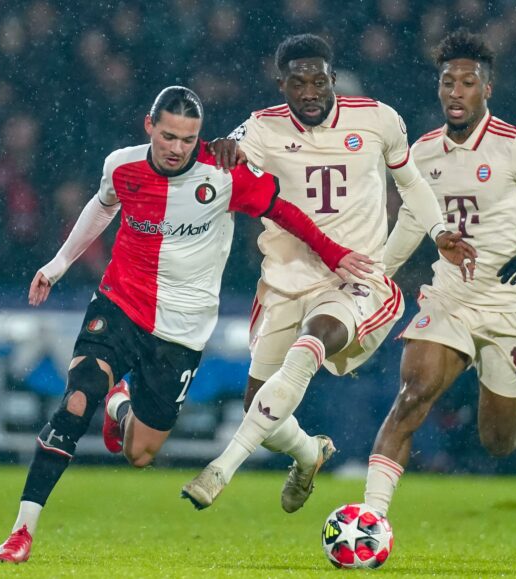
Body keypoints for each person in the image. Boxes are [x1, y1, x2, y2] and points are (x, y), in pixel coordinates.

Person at [0, 86, 373, 563]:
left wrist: (334, 254)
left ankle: (121, 409)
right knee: (76, 399)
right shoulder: (123, 165)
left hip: (182, 332)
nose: (176, 148)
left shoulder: (224, 173)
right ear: (149, 126)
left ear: (199, 137)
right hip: (120, 303)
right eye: (168, 136)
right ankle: (22, 531)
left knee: (141, 454)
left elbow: (283, 211)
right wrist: (58, 264)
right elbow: (102, 204)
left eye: (188, 139)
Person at [181, 34, 476, 512]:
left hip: (354, 277)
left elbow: (412, 183)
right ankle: (308, 452)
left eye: (320, 80)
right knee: (260, 410)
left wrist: (439, 229)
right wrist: (223, 150)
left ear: (333, 79)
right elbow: (225, 149)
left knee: (311, 345)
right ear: (282, 85)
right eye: (298, 82)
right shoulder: (261, 127)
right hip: (285, 279)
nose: (311, 91)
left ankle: (221, 468)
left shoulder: (379, 119)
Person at [362, 29, 516, 515]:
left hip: (509, 304)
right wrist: (375, 274)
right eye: (448, 82)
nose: (456, 92)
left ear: (487, 89)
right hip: (449, 298)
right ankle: (372, 517)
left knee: (499, 441)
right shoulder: (422, 153)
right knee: (413, 393)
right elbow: (409, 221)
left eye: (468, 82)